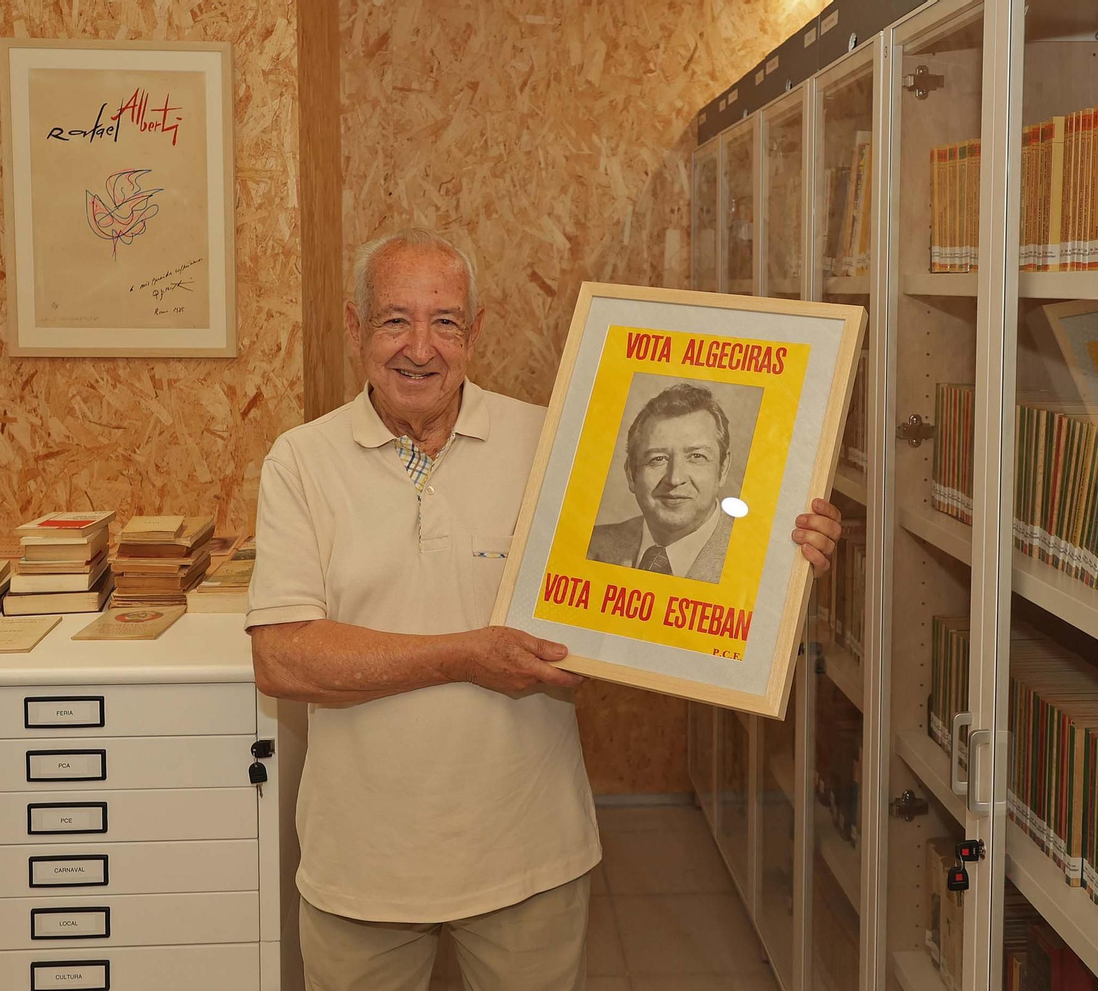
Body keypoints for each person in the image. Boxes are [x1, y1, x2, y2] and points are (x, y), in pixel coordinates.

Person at [245, 228, 843, 991]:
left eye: (446, 321)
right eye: (395, 320)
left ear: (476, 332)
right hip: (363, 868)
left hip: (529, 857)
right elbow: (284, 656)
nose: (420, 348)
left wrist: (785, 543)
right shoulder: (301, 461)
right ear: (356, 326)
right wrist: (466, 653)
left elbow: (655, 580)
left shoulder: (552, 442)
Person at [587, 382, 737, 583]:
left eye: (696, 456)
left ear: (723, 468)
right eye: (658, 459)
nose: (675, 479)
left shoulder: (755, 558)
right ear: (631, 473)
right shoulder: (589, 544)